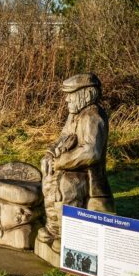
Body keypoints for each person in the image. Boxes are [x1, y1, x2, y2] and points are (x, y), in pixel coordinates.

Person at [38, 73, 115, 248]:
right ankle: (55, 228)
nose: (66, 99)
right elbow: (64, 136)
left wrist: (59, 162)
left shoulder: (92, 116)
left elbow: (91, 152)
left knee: (67, 185)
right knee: (49, 181)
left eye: (70, 95)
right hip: (72, 169)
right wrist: (50, 154)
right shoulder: (74, 115)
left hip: (89, 179)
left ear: (86, 94)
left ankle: (69, 236)